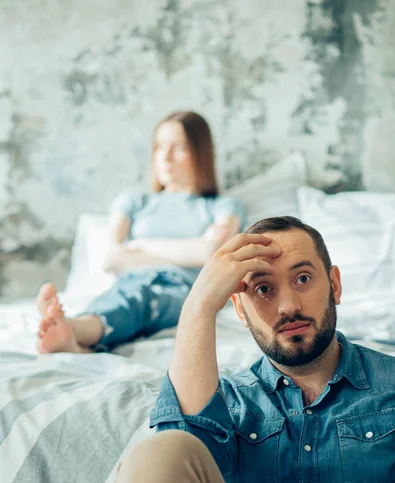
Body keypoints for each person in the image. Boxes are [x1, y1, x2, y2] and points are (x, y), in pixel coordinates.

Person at [109, 216, 395, 483]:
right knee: (160, 454)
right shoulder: (229, 400)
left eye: (302, 279)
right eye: (263, 289)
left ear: (335, 285)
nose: (288, 305)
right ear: (240, 311)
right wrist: (199, 304)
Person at [35, 110, 245, 353]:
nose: (165, 157)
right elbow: (111, 258)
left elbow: (210, 252)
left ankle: (71, 329)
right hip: (130, 281)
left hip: (182, 289)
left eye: (179, 148)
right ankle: (75, 340)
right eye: (158, 147)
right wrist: (184, 251)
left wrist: (141, 245)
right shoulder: (133, 202)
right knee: (128, 295)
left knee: (143, 298)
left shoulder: (221, 206)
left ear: (200, 153)